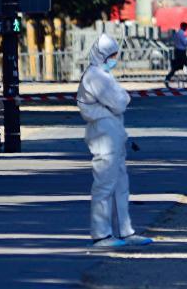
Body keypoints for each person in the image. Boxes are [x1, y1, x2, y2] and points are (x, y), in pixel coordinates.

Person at [77, 34, 153, 248]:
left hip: (111, 133)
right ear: (103, 55)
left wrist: (121, 98)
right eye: (113, 55)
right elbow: (120, 102)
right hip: (104, 136)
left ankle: (125, 231)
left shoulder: (100, 74)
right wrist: (123, 97)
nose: (115, 58)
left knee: (120, 185)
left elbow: (118, 101)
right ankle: (101, 234)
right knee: (105, 185)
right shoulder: (97, 76)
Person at [165, 22, 187, 87]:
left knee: (177, 67)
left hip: (178, 51)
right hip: (181, 52)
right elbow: (184, 43)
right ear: (184, 27)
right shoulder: (181, 34)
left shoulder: (177, 33)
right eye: (186, 27)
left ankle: (167, 78)